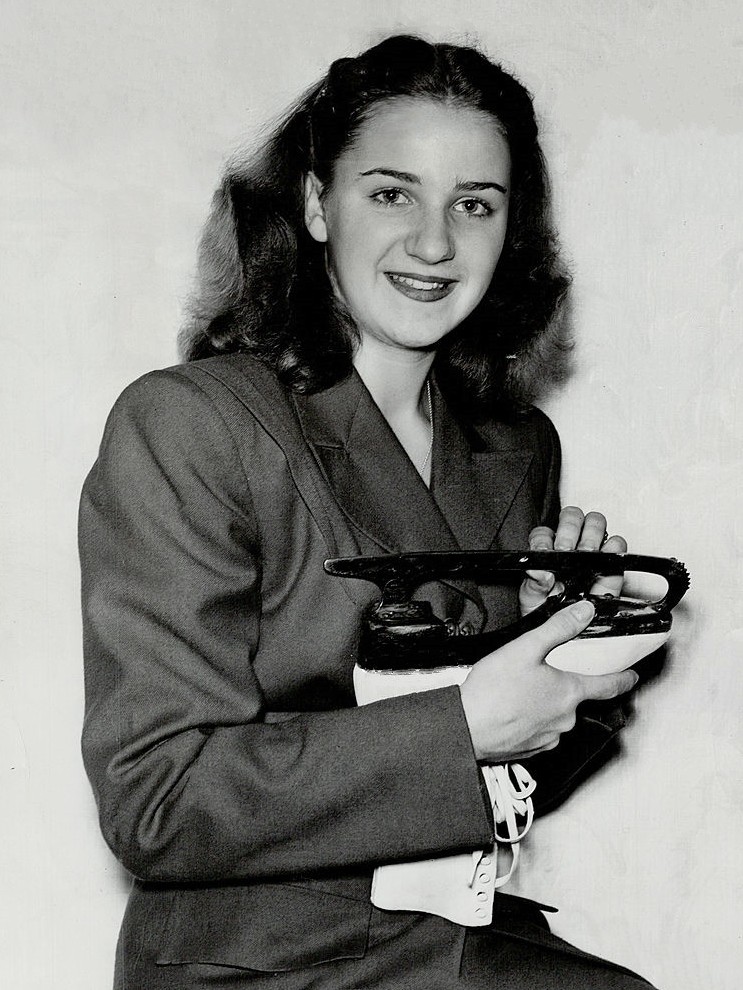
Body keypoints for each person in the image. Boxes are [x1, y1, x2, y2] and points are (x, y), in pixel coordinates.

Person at [80, 34, 657, 990]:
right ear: (314, 204)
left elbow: (493, 789)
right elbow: (156, 800)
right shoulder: (192, 422)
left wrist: (567, 666)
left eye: (474, 204)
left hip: (451, 937)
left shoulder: (517, 448)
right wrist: (463, 723)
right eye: (391, 193)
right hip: (258, 962)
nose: (434, 243)